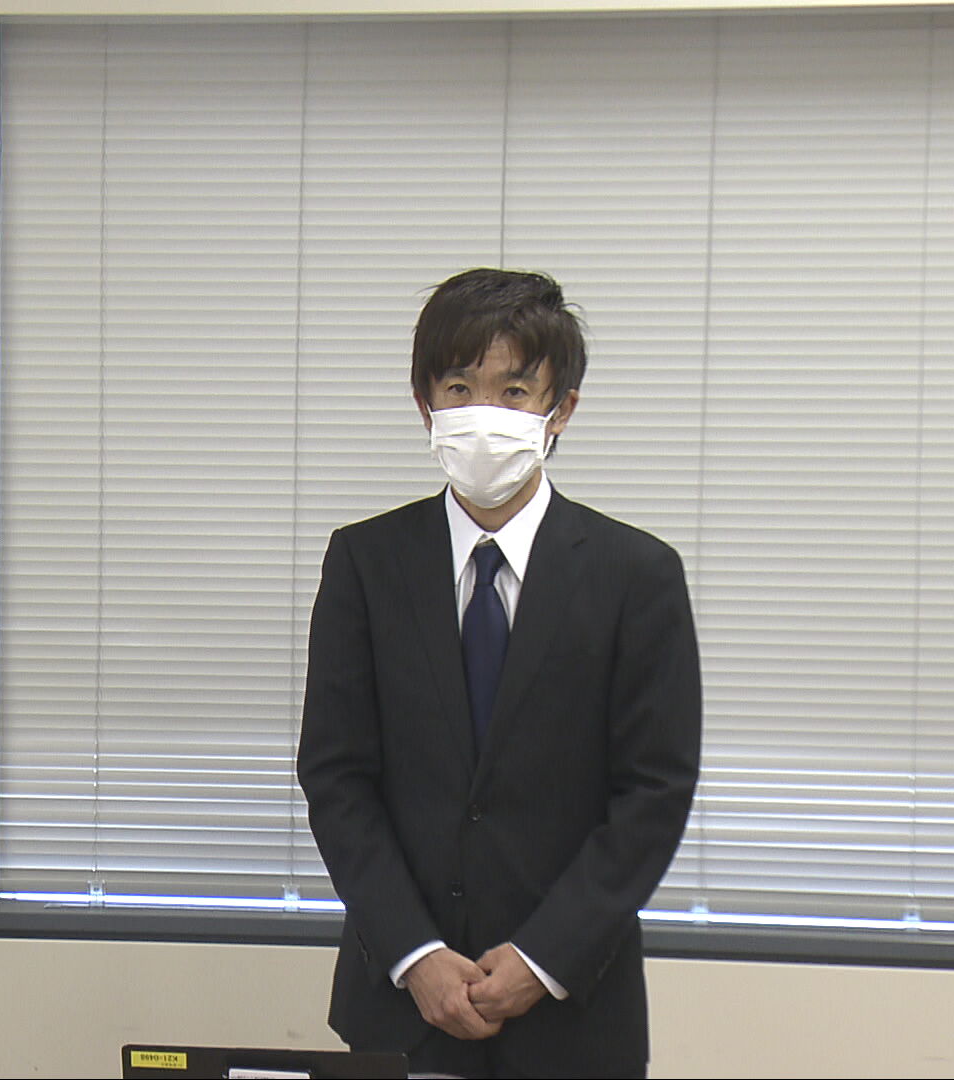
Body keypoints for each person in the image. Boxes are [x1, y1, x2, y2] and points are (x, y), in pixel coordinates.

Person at [297, 268, 700, 1078]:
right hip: (401, 1010)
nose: (484, 413)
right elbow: (337, 777)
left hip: (575, 1012)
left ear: (562, 410)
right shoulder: (366, 563)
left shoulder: (637, 575)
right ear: (425, 406)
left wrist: (543, 959)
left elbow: (653, 793)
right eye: (459, 387)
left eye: (514, 391)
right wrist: (415, 954)